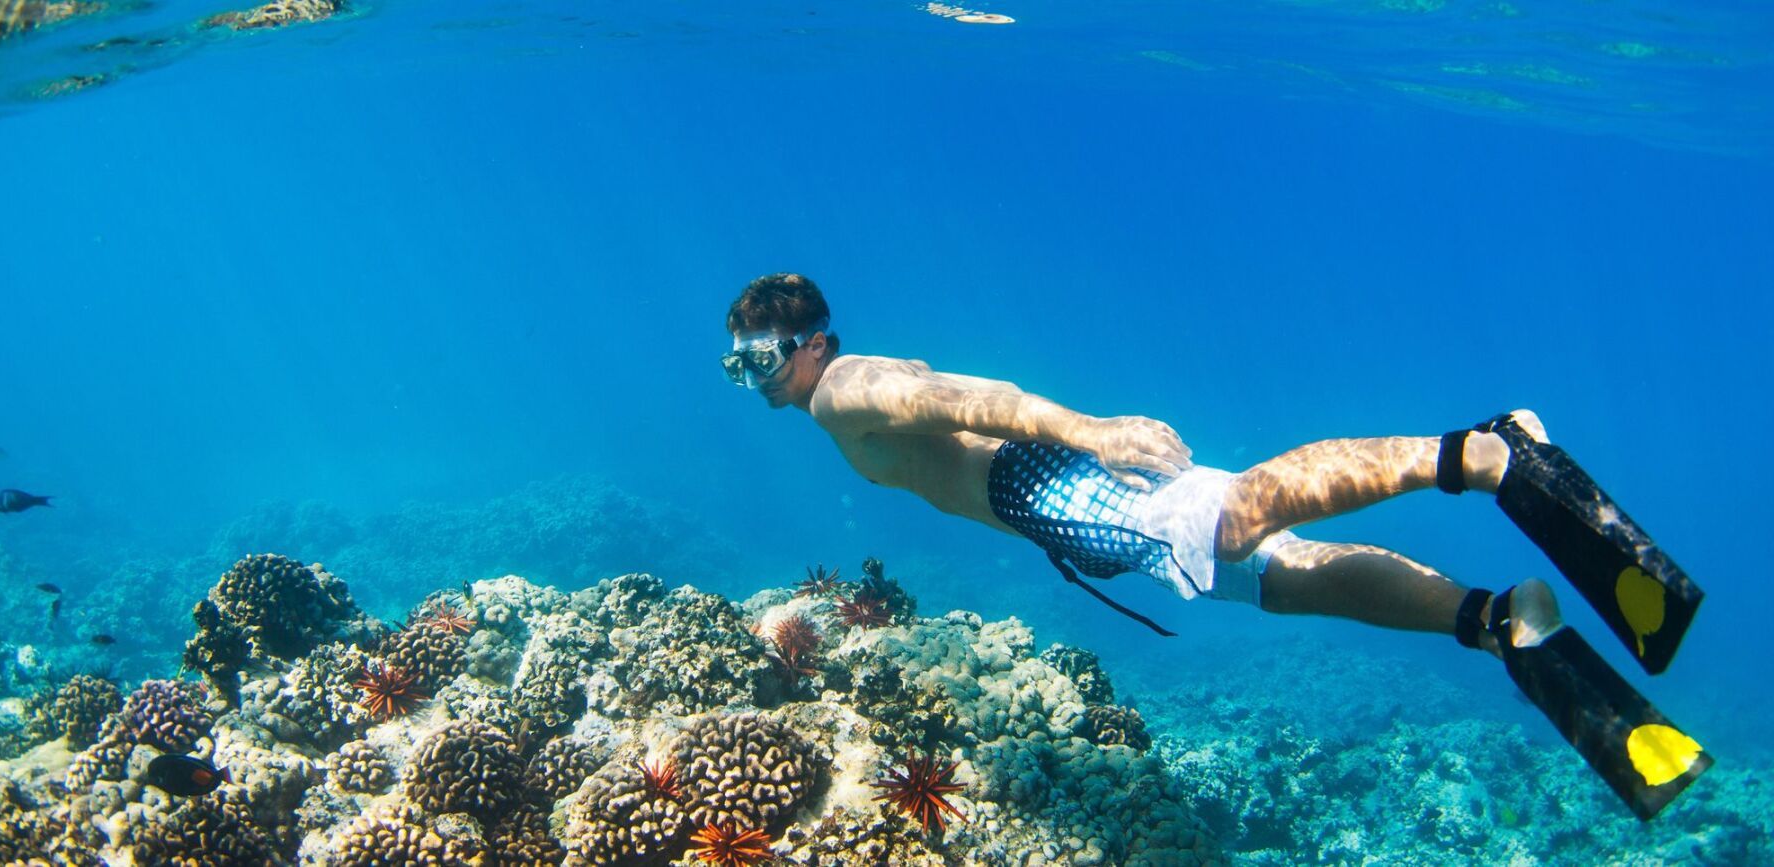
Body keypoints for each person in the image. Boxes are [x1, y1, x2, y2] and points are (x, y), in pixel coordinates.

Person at [720, 272, 1709, 820]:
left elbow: (968, 399)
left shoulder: (846, 390)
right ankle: (1494, 620)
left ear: (812, 343)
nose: (754, 378)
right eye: (737, 366)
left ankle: (1484, 453)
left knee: (1240, 516)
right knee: (1281, 578)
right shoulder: (832, 404)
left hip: (1056, 485)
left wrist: (1090, 433)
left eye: (762, 358)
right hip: (1059, 512)